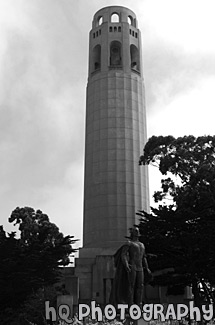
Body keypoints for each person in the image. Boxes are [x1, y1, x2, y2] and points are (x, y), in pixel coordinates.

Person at [110, 226, 151, 306]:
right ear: (132, 233)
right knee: (131, 285)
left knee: (140, 286)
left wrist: (147, 268)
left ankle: (139, 303)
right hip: (132, 266)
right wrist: (126, 265)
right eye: (135, 231)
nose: (137, 233)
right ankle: (130, 303)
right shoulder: (129, 243)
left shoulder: (142, 245)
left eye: (137, 231)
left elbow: (144, 257)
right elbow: (123, 255)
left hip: (140, 267)